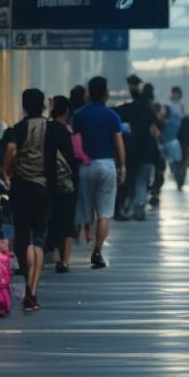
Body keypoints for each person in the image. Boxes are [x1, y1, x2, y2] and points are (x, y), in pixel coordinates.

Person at [0, 88, 74, 311]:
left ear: (24, 106)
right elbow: (69, 158)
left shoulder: (18, 129)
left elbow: (11, 151)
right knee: (38, 238)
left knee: (23, 237)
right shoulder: (55, 129)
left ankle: (26, 283)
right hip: (45, 190)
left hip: (20, 189)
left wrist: (7, 171)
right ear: (43, 105)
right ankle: (32, 292)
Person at [71, 76, 125, 268]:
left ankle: (85, 234)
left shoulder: (78, 115)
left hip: (85, 167)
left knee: (87, 208)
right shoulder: (112, 116)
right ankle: (97, 251)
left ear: (89, 92)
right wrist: (122, 167)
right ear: (105, 93)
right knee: (104, 213)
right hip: (106, 164)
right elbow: (118, 143)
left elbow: (74, 142)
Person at [46, 96, 83, 274]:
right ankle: (64, 260)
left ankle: (48, 253)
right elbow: (72, 159)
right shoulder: (66, 132)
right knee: (67, 220)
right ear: (67, 112)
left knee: (51, 218)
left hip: (46, 181)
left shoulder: (45, 129)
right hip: (66, 182)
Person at [118, 83, 161, 221]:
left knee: (133, 180)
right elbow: (155, 132)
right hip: (148, 152)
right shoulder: (150, 110)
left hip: (132, 151)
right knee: (144, 180)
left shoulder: (132, 107)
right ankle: (139, 208)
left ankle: (128, 206)